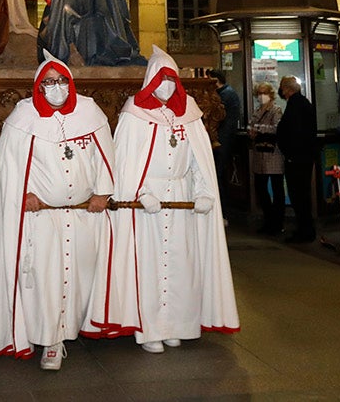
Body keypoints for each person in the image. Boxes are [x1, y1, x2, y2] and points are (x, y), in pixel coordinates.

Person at [89, 46, 238, 353]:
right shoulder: (134, 114)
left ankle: (179, 325)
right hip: (148, 203)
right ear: (151, 80)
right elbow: (127, 163)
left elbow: (199, 161)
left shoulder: (191, 113)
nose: (167, 85)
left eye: (172, 79)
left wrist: (203, 192)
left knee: (183, 263)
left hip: (182, 199)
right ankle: (151, 328)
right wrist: (140, 192)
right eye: (162, 78)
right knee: (150, 264)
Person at [0, 53, 115, 369]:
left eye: (60, 81)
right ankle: (52, 342)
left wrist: (103, 190)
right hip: (42, 217)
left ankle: (79, 326)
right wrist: (23, 193)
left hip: (85, 215)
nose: (56, 87)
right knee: (46, 279)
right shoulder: (22, 118)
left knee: (81, 276)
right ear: (38, 87)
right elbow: (10, 166)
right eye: (48, 82)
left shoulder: (90, 113)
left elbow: (104, 155)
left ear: (70, 83)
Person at [277, 75, 318, 244]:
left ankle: (305, 230)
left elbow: (294, 132)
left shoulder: (295, 106)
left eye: (282, 88)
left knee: (299, 195)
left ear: (287, 89)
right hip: (304, 157)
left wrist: (289, 153)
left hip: (297, 158)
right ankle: (305, 228)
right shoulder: (303, 103)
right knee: (302, 195)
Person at [247, 81, 285, 235]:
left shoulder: (276, 110)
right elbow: (250, 126)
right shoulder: (257, 111)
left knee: (277, 189)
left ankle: (277, 222)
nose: (262, 96)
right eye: (259, 93)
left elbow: (277, 128)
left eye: (265, 93)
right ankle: (268, 219)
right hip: (259, 154)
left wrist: (258, 129)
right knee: (261, 188)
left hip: (273, 154)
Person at [211, 69, 241, 208]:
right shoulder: (227, 93)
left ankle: (223, 209)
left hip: (222, 141)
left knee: (218, 175)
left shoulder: (225, 95)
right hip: (223, 140)